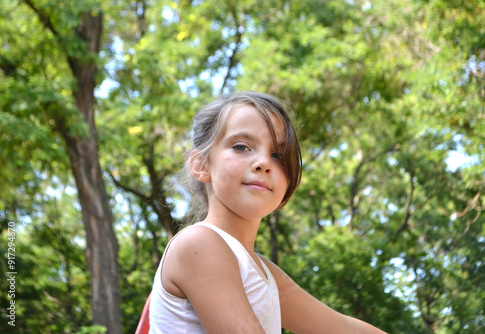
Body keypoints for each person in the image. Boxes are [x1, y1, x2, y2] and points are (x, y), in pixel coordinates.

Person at [147, 91, 387, 333]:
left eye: (278, 155)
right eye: (241, 147)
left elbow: (345, 329)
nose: (264, 162)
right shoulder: (199, 244)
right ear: (201, 165)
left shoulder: (264, 272)